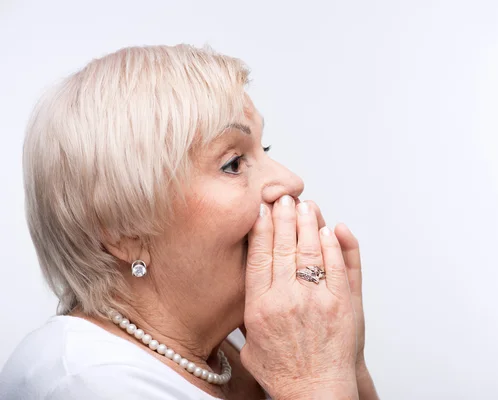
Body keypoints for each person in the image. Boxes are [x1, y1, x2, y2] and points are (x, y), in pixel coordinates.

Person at [0, 44, 378, 399]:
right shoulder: (87, 382)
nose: (291, 182)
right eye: (232, 164)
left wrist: (346, 362)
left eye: (263, 150)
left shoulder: (242, 348)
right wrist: (314, 380)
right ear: (122, 230)